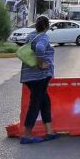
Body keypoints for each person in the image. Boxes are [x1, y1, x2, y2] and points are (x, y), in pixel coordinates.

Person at [19, 15, 59, 144]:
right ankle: (27, 135)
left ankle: (49, 131)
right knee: (35, 104)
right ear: (47, 26)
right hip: (39, 76)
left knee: (44, 101)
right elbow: (40, 48)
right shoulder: (43, 37)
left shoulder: (31, 35)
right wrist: (41, 64)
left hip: (28, 76)